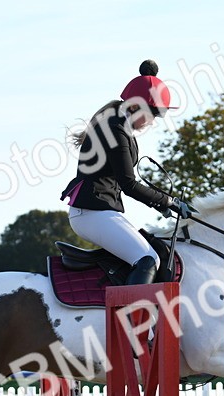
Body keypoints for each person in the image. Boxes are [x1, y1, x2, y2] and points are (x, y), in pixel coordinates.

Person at [59, 59, 194, 286]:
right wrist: (168, 201)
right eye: (151, 114)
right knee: (148, 260)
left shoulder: (119, 126)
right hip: (91, 212)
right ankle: (130, 319)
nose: (152, 121)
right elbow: (129, 185)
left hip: (100, 210)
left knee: (154, 251)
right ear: (134, 107)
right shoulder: (115, 130)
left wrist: (161, 203)